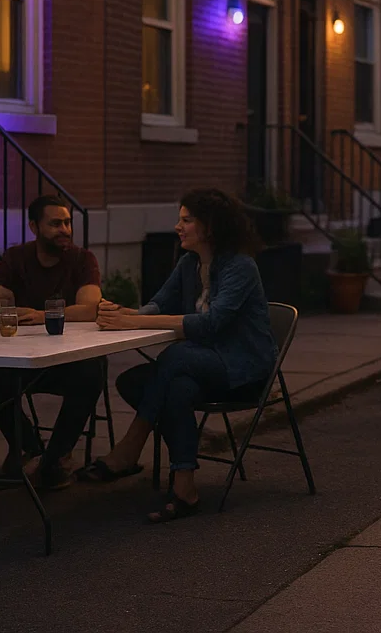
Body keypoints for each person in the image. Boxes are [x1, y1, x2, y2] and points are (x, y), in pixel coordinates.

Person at [75, 188, 276, 523]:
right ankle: (185, 486)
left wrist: (135, 320)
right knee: (155, 384)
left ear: (209, 226)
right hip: (200, 365)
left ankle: (131, 445)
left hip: (242, 369)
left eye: (186, 220)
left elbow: (212, 324)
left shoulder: (241, 267)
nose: (177, 226)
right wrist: (124, 313)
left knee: (176, 356)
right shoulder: (189, 263)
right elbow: (160, 304)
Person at [0, 194, 104, 489]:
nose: (65, 230)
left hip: (69, 359)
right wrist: (16, 313)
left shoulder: (83, 260)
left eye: (68, 222)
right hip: (22, 357)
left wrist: (35, 313)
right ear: (34, 226)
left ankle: (54, 460)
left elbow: (89, 309)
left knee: (92, 373)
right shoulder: (16, 258)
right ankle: (30, 449)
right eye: (56, 223)